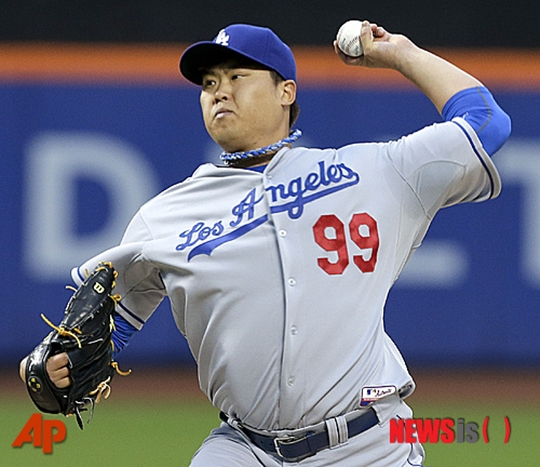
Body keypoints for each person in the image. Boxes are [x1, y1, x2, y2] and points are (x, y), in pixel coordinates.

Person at [20, 21, 511, 466]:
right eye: (209, 83)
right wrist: (52, 365)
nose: (220, 91)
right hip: (244, 449)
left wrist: (401, 53)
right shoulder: (165, 215)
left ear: (285, 92)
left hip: (370, 444)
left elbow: (486, 123)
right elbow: (101, 330)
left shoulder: (370, 172)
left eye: (237, 76)